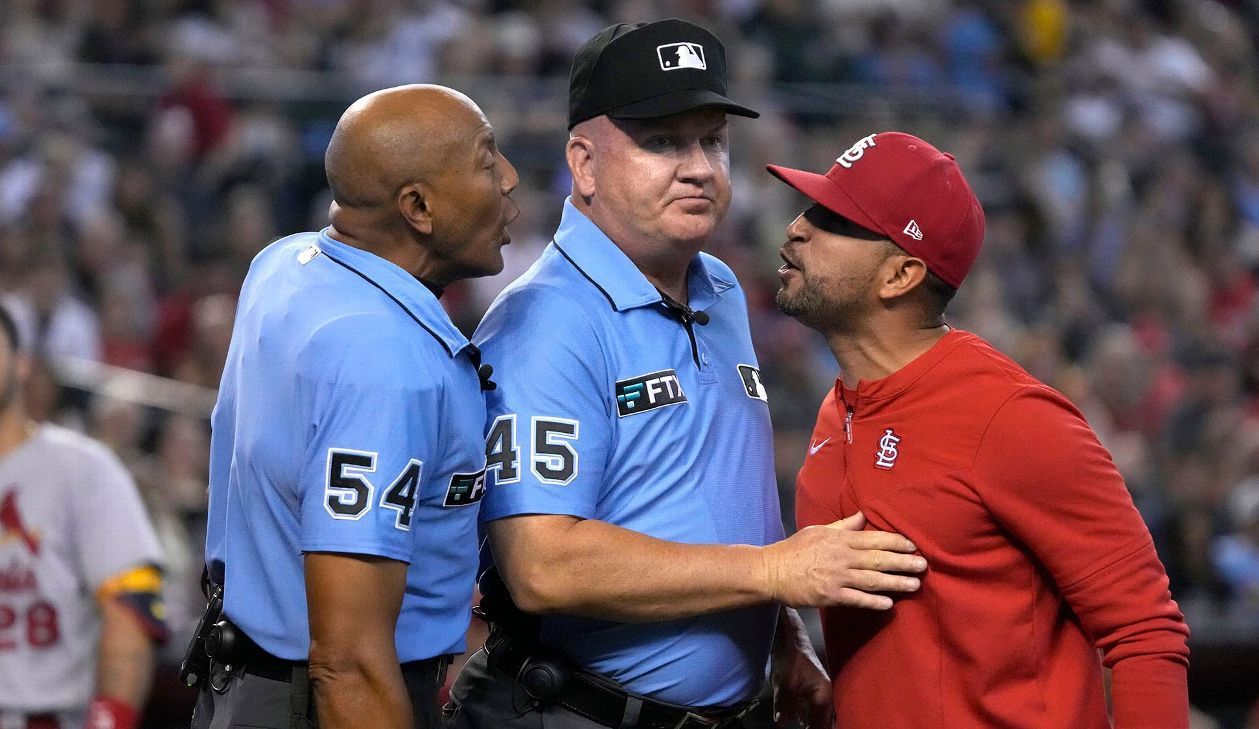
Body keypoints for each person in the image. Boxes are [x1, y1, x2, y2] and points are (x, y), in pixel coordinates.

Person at [447, 19, 927, 729]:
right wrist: (773, 572)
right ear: (584, 163)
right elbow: (543, 563)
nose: (699, 165)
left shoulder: (722, 290)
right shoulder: (547, 323)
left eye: (712, 140)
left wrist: (782, 634)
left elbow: (711, 497)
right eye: (662, 141)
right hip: (576, 709)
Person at [767, 131, 1192, 728]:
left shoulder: (1009, 417)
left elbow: (1144, 629)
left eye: (833, 218)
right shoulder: (838, 410)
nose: (796, 228)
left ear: (901, 275)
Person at [193, 84, 519, 729]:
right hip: (327, 702)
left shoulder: (285, 261)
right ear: (418, 207)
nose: (509, 179)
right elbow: (348, 660)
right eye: (486, 161)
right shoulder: (385, 365)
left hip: (240, 679)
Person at [0, 304, 166, 729]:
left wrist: (111, 717)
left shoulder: (81, 467)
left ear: (22, 365)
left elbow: (129, 608)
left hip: (44, 715)